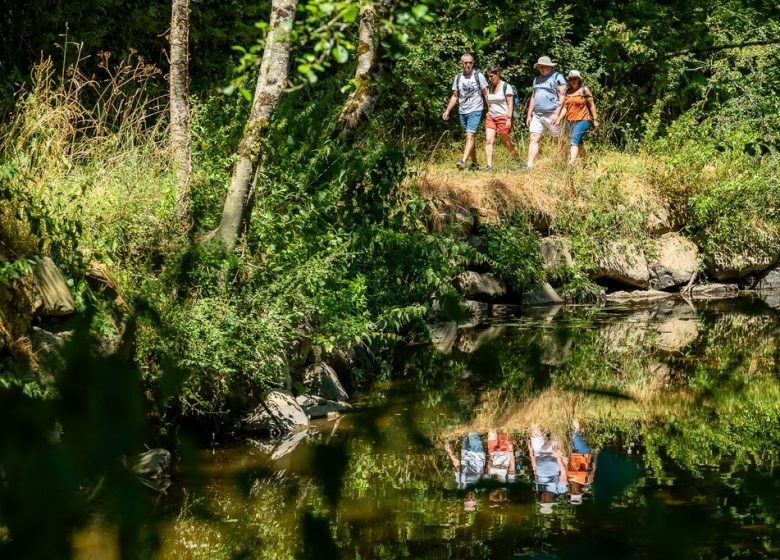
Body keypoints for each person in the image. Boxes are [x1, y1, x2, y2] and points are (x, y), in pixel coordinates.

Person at [443, 54, 489, 170]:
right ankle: (475, 164)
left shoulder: (479, 76)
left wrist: (490, 109)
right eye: (466, 63)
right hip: (462, 111)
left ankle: (463, 161)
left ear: (473, 63)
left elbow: (486, 93)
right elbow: (455, 96)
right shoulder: (458, 78)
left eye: (470, 62)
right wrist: (447, 110)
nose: (468, 65)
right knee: (469, 137)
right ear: (461, 64)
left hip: (476, 109)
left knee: (470, 135)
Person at [524, 56, 566, 169]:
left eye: (543, 67)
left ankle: (562, 162)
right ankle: (530, 164)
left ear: (549, 67)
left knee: (557, 138)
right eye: (539, 67)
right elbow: (533, 96)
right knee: (534, 137)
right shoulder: (536, 79)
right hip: (537, 114)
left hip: (552, 113)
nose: (541, 69)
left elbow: (562, 96)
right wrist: (529, 114)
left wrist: (557, 114)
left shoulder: (557, 77)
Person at [555, 70, 598, 166]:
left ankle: (569, 166)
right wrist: (558, 119)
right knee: (579, 143)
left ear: (579, 79)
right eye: (571, 79)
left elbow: (591, 105)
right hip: (570, 121)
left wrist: (595, 119)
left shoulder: (584, 90)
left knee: (573, 142)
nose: (573, 81)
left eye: (575, 78)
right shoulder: (568, 92)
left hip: (582, 120)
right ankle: (585, 163)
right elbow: (565, 108)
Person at [483, 66, 521, 171]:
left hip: (503, 117)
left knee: (506, 142)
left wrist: (509, 118)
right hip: (491, 117)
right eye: (488, 77)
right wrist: (489, 111)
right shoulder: (490, 87)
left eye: (492, 76)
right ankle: (489, 166)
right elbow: (489, 102)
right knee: (488, 141)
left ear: (498, 73)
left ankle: (518, 161)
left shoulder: (506, 86)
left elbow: (510, 104)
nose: (490, 79)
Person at [527, 423, 568, 515]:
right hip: (552, 454)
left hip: (538, 453)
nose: (543, 498)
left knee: (535, 431)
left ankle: (537, 417)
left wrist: (531, 453)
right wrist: (558, 457)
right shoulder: (560, 490)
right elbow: (563, 474)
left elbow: (535, 469)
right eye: (546, 500)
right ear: (551, 501)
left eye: (542, 500)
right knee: (557, 428)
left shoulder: (538, 487)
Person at [567, 418, 599, 505]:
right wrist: (596, 454)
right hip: (583, 453)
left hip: (571, 453)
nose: (574, 490)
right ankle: (574, 416)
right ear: (580, 491)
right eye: (576, 492)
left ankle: (577, 420)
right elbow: (594, 466)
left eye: (573, 492)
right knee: (575, 435)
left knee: (569, 434)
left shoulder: (568, 481)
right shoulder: (588, 480)